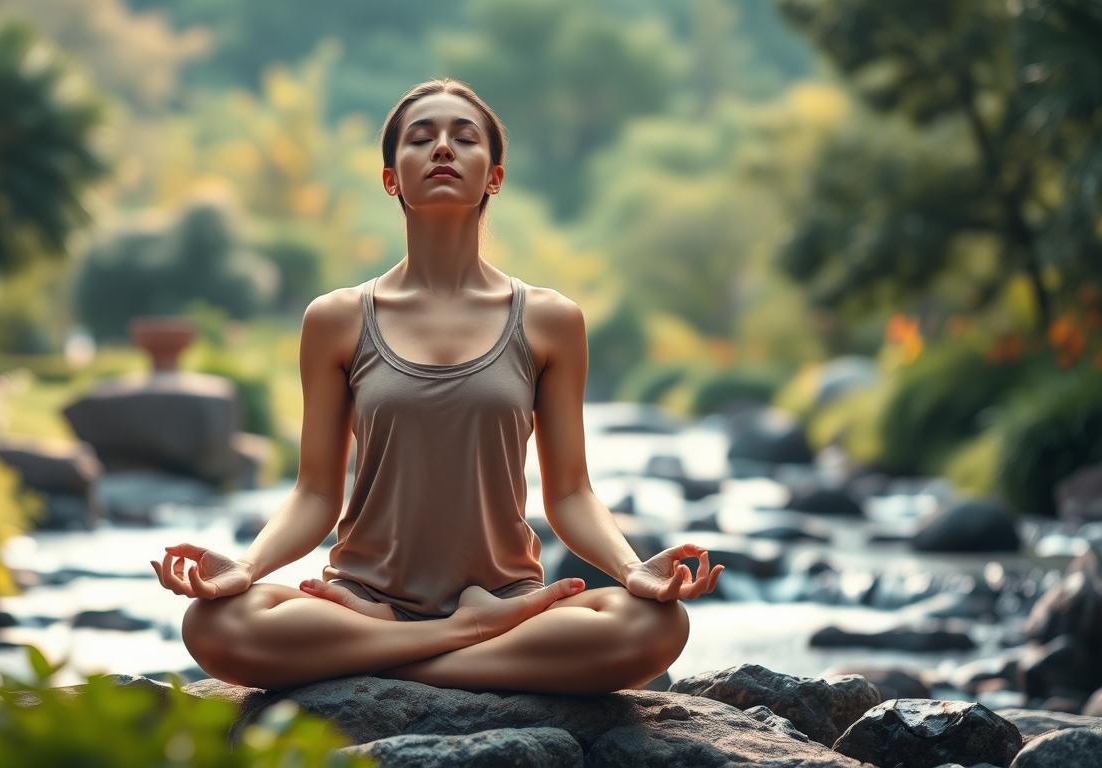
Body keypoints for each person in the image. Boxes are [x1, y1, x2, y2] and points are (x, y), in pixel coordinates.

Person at [151, 78, 724, 695]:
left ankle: (388, 655)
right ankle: (465, 639)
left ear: (494, 177)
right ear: (391, 178)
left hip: (507, 602)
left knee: (654, 625)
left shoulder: (551, 320)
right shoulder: (336, 319)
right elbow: (315, 493)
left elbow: (571, 493)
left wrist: (632, 569)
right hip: (362, 602)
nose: (443, 148)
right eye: (421, 138)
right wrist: (245, 567)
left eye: (464, 138)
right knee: (214, 624)